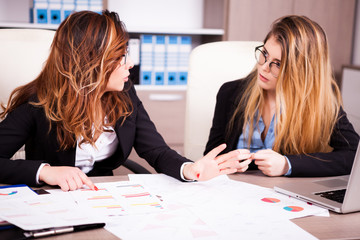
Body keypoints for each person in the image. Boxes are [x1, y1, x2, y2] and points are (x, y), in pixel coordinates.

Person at [0, 10, 241, 191]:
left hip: (105, 196)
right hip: (53, 200)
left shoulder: (125, 93)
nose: (130, 64)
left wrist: (190, 169)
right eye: (119, 57)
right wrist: (45, 172)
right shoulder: (38, 102)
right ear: (91, 63)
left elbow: (155, 150)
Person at [205, 15, 359, 177]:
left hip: (284, 196)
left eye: (278, 64)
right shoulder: (230, 92)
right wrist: (225, 163)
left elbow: (354, 155)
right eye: (264, 53)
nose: (264, 67)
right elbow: (210, 158)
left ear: (301, 71)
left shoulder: (320, 102)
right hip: (233, 191)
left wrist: (288, 164)